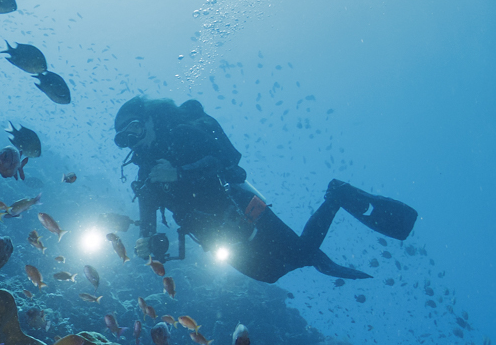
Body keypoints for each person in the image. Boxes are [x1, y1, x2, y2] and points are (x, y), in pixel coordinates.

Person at [111, 96, 416, 282]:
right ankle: (323, 232)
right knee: (270, 275)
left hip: (241, 207)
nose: (133, 140)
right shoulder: (145, 176)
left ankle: (336, 196)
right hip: (212, 235)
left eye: (135, 128)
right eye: (124, 138)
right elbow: (147, 223)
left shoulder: (183, 133)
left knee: (300, 254)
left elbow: (224, 162)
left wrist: (179, 173)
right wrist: (144, 243)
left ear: (150, 120)